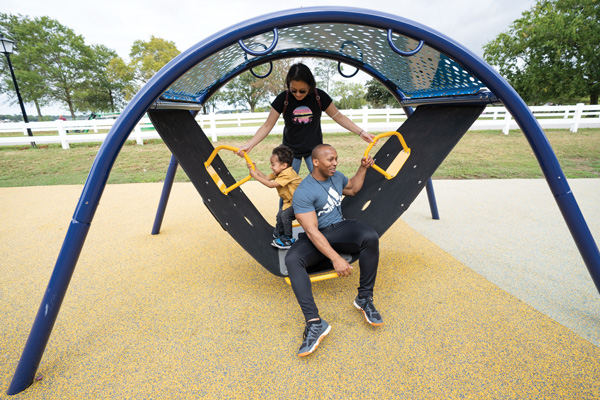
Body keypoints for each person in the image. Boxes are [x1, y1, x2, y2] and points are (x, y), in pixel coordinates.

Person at [285, 144, 382, 357]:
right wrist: (336, 259)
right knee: (293, 259)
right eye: (330, 159)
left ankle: (364, 298)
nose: (335, 163)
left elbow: (353, 189)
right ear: (316, 162)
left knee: (370, 237)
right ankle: (314, 322)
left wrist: (363, 168)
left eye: (336, 158)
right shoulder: (304, 191)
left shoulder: (336, 176)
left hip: (339, 228)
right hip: (317, 235)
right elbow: (311, 231)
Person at [237, 63, 375, 173]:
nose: (297, 94)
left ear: (310, 85)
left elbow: (338, 116)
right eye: (293, 90)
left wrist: (361, 132)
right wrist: (250, 144)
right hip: (290, 151)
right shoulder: (283, 99)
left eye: (302, 90)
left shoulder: (319, 96)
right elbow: (267, 125)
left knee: (322, 186)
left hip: (314, 151)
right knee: (287, 189)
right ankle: (283, 210)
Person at [247, 145, 302, 249]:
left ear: (284, 165)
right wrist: (255, 169)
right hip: (289, 202)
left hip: (299, 201)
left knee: (285, 216)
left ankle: (288, 239)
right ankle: (280, 235)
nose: (271, 167)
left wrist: (255, 176)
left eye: (273, 164)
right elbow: (267, 178)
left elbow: (271, 185)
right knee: (280, 216)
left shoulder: (288, 174)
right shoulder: (279, 171)